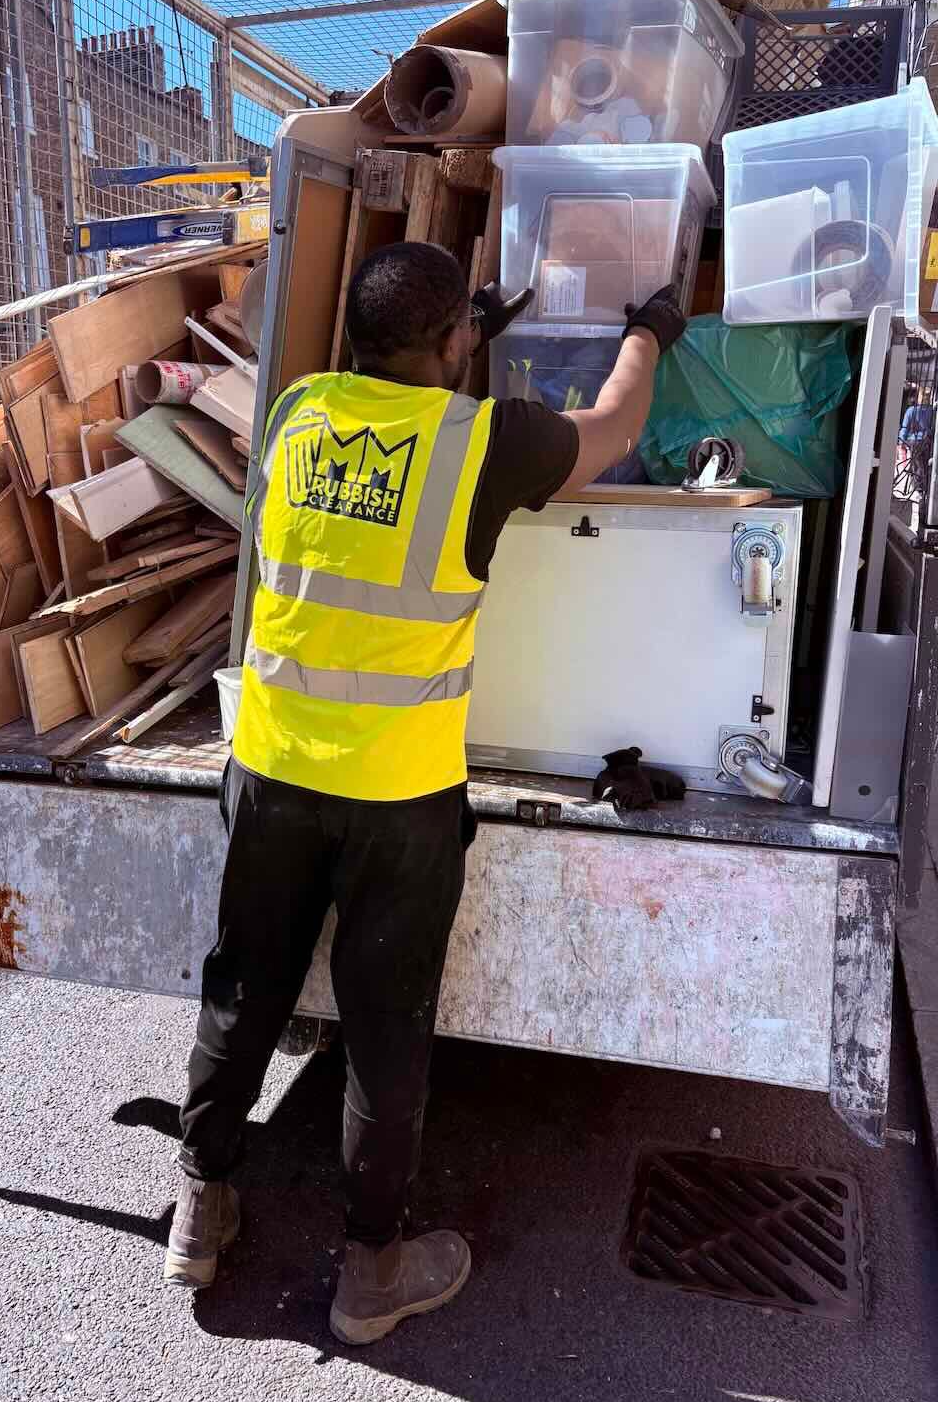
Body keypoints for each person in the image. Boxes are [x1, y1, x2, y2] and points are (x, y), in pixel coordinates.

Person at [164, 241, 686, 1344]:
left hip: (267, 765)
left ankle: (199, 1212)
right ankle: (371, 1273)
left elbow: (375, 463)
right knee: (385, 1027)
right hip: (397, 795)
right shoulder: (488, 443)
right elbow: (615, 430)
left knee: (242, 988)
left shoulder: (298, 411)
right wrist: (648, 330)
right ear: (459, 347)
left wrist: (458, 340)